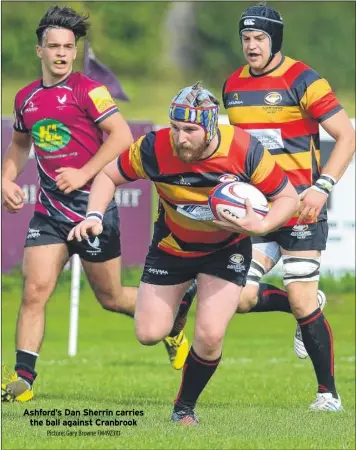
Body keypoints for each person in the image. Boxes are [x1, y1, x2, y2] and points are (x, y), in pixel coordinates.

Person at [67, 82, 300, 425]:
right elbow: (107, 175)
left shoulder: (243, 149)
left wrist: (261, 225)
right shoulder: (153, 148)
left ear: (208, 127)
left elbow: (288, 198)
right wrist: (94, 215)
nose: (180, 137)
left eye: (190, 129)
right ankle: (188, 290)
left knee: (209, 336)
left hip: (226, 249)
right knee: (148, 333)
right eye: (175, 128)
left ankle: (183, 409)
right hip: (172, 247)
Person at [1, 5, 191, 403]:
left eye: (68, 47)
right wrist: (6, 178)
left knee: (111, 298)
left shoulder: (89, 91)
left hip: (95, 210)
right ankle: (23, 380)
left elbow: (121, 137)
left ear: (74, 50)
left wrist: (84, 174)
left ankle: (172, 319)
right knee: (34, 290)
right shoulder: (26, 98)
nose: (61, 54)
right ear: (39, 50)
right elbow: (21, 143)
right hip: (49, 212)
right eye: (53, 47)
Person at [220, 3, 355, 411]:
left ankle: (327, 395)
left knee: (301, 298)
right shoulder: (232, 86)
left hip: (301, 210)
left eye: (259, 38)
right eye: (246, 38)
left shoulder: (304, 80)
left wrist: (322, 187)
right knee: (239, 298)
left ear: (274, 39)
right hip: (259, 213)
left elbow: (346, 137)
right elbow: (239, 151)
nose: (251, 46)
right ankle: (304, 310)